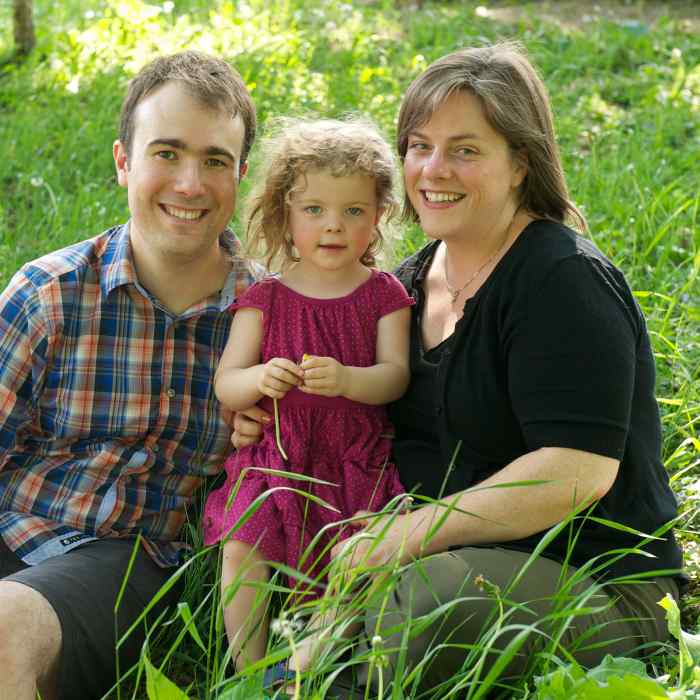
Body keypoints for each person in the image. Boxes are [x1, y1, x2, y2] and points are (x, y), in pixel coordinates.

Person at [233, 42, 685, 696]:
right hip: (435, 566)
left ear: (519, 164)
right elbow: (359, 412)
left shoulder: (561, 280)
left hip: (598, 585)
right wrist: (267, 413)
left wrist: (405, 537)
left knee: (426, 602)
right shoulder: (403, 287)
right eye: (419, 146)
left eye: (465, 150)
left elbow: (575, 471)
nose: (433, 169)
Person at [0, 51, 257, 700]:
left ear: (241, 175)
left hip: (120, 563)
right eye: (166, 153)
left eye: (215, 160)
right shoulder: (48, 294)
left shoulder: (266, 323)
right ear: (124, 162)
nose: (190, 183)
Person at [202, 117, 413, 676]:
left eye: (353, 211)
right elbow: (228, 381)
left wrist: (348, 379)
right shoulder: (266, 296)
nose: (333, 227)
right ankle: (248, 671)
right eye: (314, 210)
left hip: (351, 456)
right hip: (276, 455)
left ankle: (306, 665)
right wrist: (262, 377)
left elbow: (395, 377)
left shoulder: (383, 294)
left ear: (378, 216)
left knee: (354, 556)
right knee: (243, 551)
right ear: (285, 216)